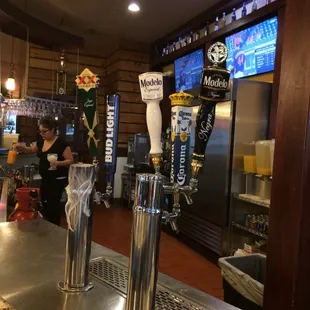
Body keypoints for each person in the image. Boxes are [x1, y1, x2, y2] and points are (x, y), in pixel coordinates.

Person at [16, 116, 73, 225]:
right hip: (46, 178)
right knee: (45, 204)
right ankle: (50, 228)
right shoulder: (42, 142)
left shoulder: (61, 144)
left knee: (53, 206)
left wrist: (58, 163)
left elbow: (70, 160)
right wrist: (21, 147)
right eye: (40, 131)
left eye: (44, 131)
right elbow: (31, 150)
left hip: (57, 179)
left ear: (52, 130)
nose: (42, 134)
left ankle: (55, 229)